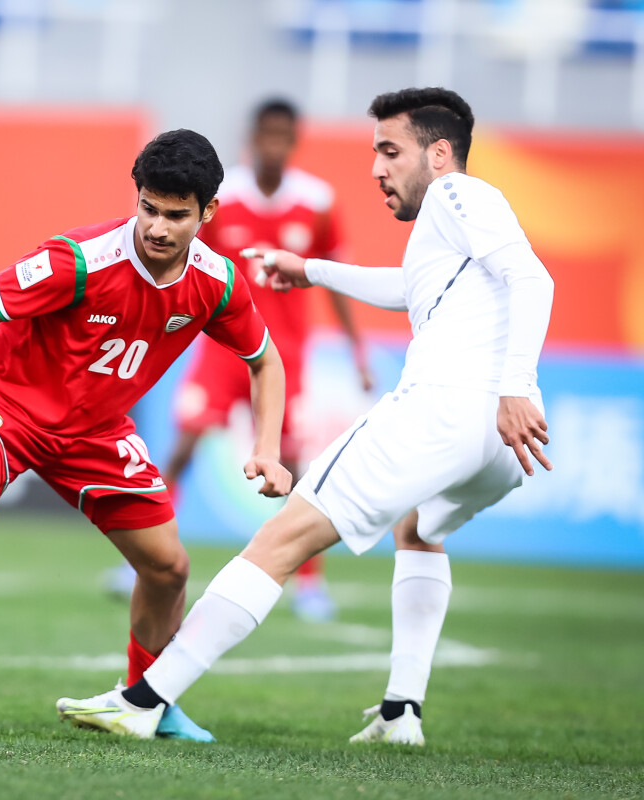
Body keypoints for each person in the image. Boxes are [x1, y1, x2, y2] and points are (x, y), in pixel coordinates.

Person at [57, 87, 555, 745]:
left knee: (279, 540)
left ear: (439, 155)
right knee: (417, 529)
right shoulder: (451, 223)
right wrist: (312, 270)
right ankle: (402, 714)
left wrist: (513, 384)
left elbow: (534, 279)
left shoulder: (460, 194)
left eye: (389, 151)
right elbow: (410, 289)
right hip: (494, 445)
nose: (376, 168)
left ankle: (144, 700)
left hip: (454, 407)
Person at [0, 129, 293, 742]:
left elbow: (265, 361)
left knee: (169, 568)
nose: (158, 228)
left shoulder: (216, 283)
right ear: (136, 197)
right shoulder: (82, 259)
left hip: (93, 430)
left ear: (208, 213)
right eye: (148, 207)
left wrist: (267, 450)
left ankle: (148, 700)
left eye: (177, 215)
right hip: (4, 400)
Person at [104, 99, 374, 623]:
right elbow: (184, 263)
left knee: (290, 463)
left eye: (282, 135)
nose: (273, 144)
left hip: (284, 356)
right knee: (181, 446)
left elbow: (335, 279)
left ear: (294, 140)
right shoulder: (222, 201)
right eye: (265, 134)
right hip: (221, 348)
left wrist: (357, 349)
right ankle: (138, 559)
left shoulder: (316, 201)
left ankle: (309, 584)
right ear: (253, 138)